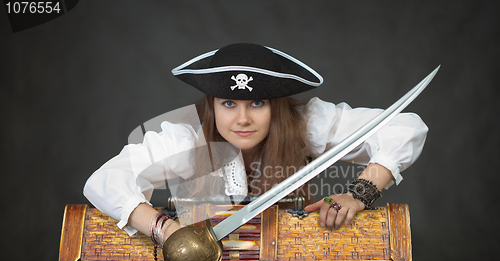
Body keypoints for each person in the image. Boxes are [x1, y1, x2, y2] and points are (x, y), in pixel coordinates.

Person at [84, 43, 428, 249]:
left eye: (257, 103)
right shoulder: (186, 138)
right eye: (229, 104)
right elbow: (105, 181)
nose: (242, 119)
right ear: (212, 104)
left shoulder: (306, 122)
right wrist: (169, 232)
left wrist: (360, 193)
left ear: (275, 105)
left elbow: (403, 126)